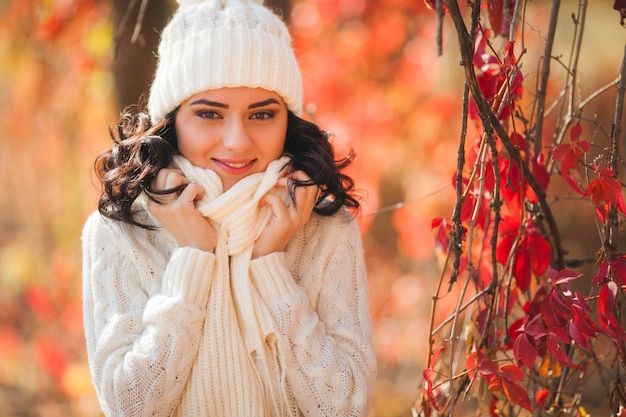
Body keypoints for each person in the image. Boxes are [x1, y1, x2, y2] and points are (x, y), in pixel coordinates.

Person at [81, 0, 377, 415]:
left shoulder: (324, 227)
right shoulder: (121, 229)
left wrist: (271, 266)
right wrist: (193, 259)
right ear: (171, 120)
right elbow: (129, 405)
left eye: (261, 114)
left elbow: (344, 405)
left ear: (287, 121)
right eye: (209, 114)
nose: (237, 141)